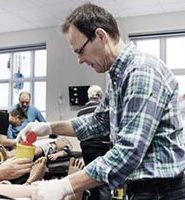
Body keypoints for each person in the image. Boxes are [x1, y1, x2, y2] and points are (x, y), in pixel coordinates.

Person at [17, 3, 185, 200]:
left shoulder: (142, 72)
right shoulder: (118, 78)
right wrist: (46, 127)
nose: (79, 60)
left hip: (163, 192)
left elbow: (129, 151)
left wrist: (65, 185)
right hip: (146, 189)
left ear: (100, 36)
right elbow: (96, 122)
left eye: (80, 51)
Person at [77, 85, 111, 200]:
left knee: (90, 178)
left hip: (86, 148)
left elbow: (79, 131)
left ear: (88, 96)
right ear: (100, 96)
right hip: (103, 146)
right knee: (103, 180)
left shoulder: (81, 112)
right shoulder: (103, 109)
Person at [0, 137, 72, 162]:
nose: (61, 139)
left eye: (63, 140)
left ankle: (6, 156)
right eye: (61, 139)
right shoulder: (51, 139)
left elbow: (67, 152)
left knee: (28, 152)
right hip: (35, 145)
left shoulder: (61, 146)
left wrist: (56, 155)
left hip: (43, 150)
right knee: (16, 151)